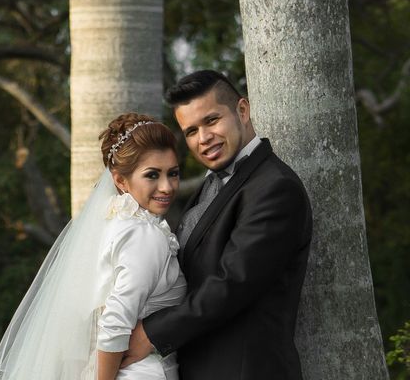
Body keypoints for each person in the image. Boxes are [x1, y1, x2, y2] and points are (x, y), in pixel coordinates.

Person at [123, 70, 313, 379]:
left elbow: (233, 282)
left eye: (211, 121)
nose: (203, 138)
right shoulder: (214, 183)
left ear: (242, 110)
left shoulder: (275, 187)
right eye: (191, 131)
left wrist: (151, 332)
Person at [0, 113, 187, 380]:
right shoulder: (144, 235)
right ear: (120, 181)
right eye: (152, 175)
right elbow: (114, 322)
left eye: (173, 173)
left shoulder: (112, 225)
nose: (167, 186)